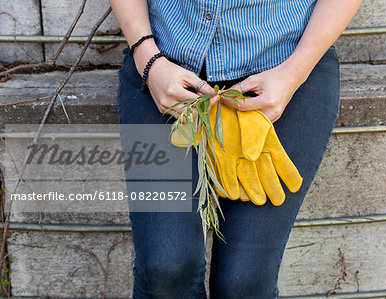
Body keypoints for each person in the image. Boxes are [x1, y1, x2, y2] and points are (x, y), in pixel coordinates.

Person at [110, 0, 362, 298]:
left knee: (244, 282)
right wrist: (147, 58)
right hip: (165, 70)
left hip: (281, 72)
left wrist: (294, 73)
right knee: (167, 269)